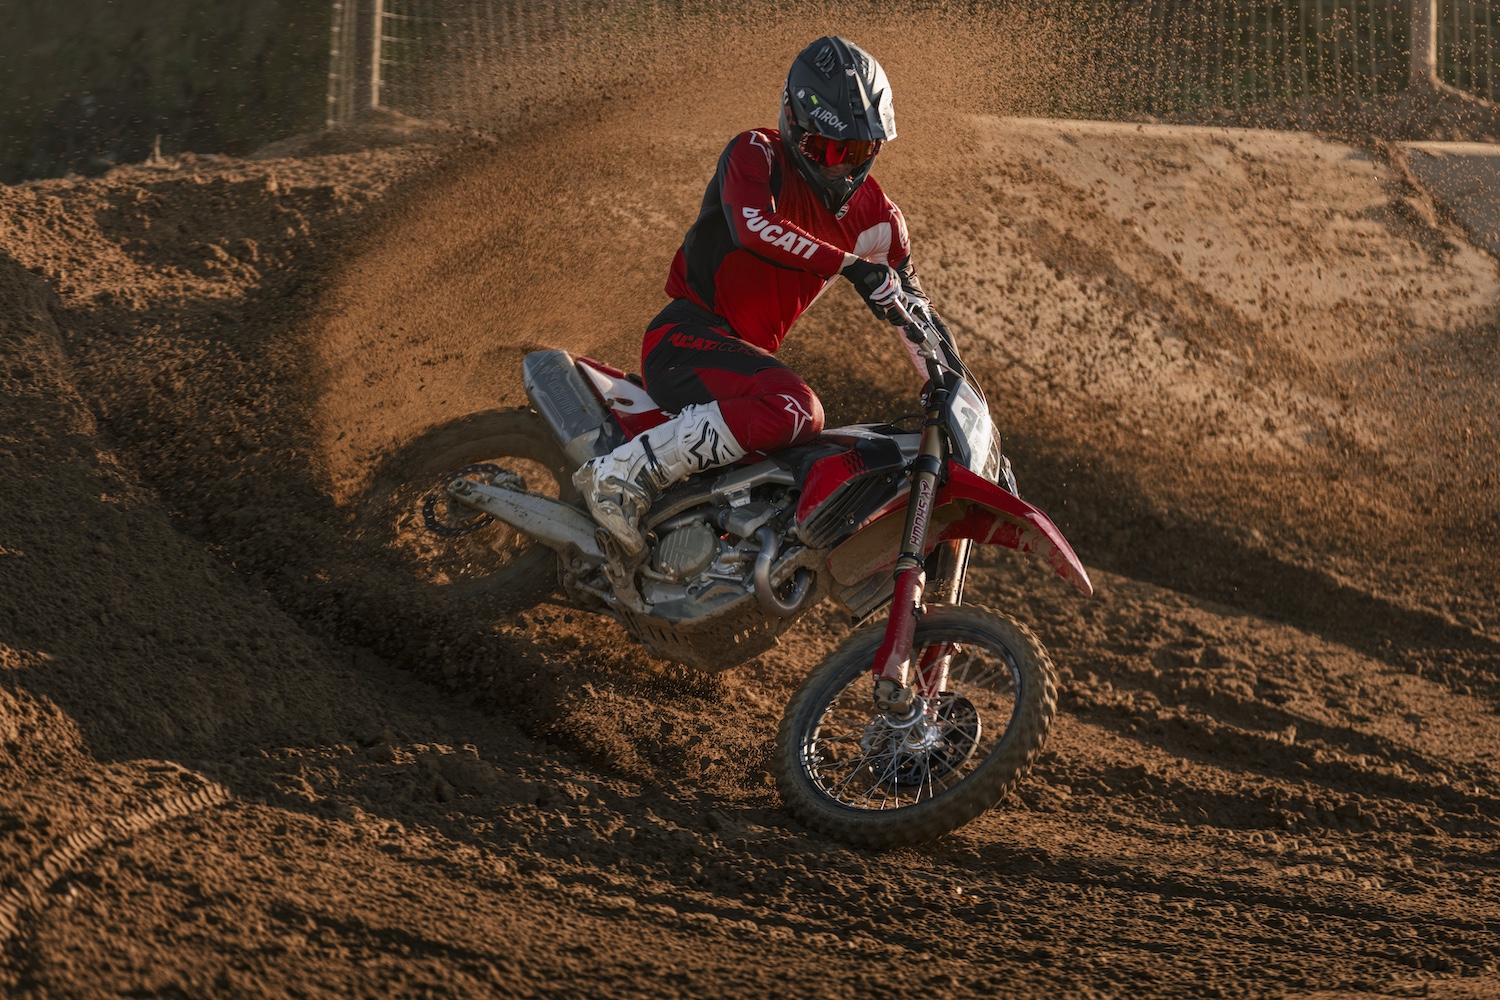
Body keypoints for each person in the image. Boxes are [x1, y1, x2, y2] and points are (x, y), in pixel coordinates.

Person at [574, 36, 953, 558]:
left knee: (813, 457)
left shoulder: (883, 221)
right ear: (793, 125)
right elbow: (753, 226)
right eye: (829, 150)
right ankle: (620, 474)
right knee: (797, 408)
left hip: (742, 367)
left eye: (857, 152)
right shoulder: (755, 151)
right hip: (684, 338)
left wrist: (950, 389)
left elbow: (917, 311)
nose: (841, 168)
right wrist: (850, 265)